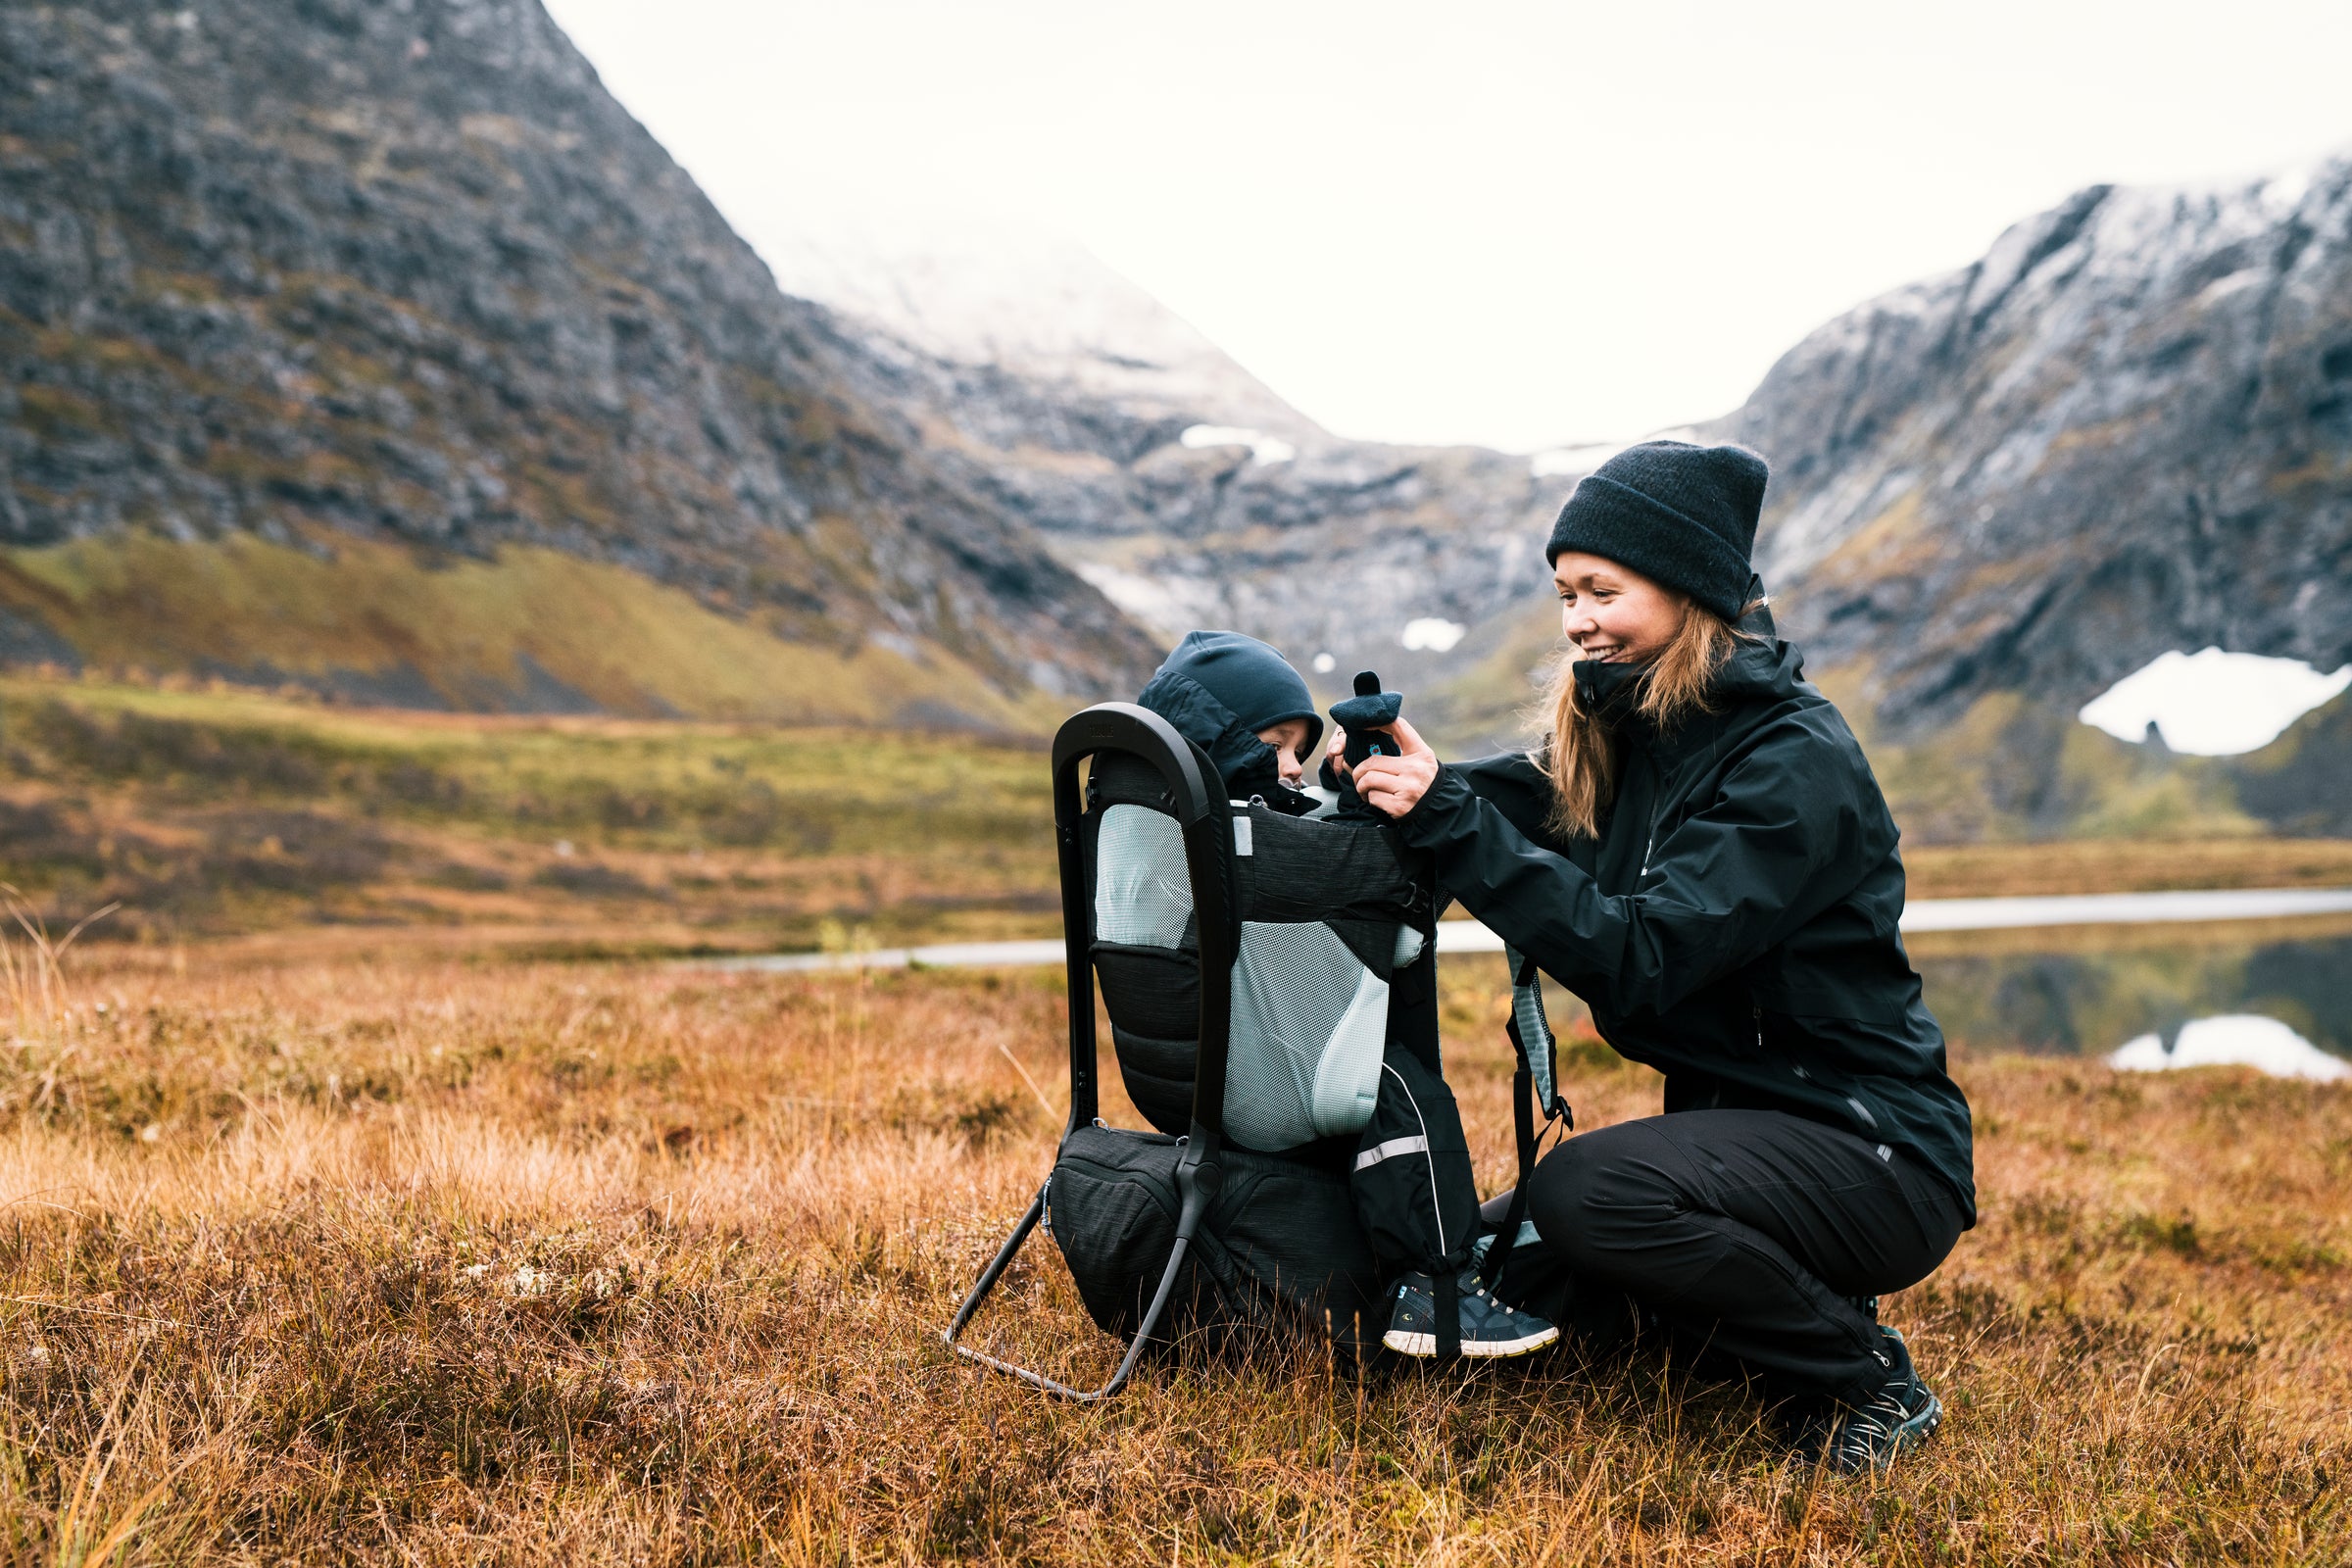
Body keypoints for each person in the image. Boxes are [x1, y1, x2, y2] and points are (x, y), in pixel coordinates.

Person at [1334, 441, 1975, 1471]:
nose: (1578, 617)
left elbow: (1643, 957)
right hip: (1743, 1148)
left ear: (1687, 591)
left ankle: (1866, 1378)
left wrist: (1454, 822)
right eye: (1564, 593)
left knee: (1591, 1195)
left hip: (1877, 1157)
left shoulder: (1791, 761)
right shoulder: (1634, 733)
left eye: (1603, 589)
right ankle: (1755, 1307)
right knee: (1506, 1255)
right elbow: (1497, 801)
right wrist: (1371, 790)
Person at [1130, 631, 1558, 1358]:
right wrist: (1371, 818)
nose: (1291, 766)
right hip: (1251, 1086)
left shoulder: (1148, 818)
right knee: (1390, 1080)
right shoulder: (1236, 839)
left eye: (1299, 747)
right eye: (1274, 744)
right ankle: (1436, 1289)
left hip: (1175, 1082)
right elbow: (1370, 895)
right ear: (1217, 739)